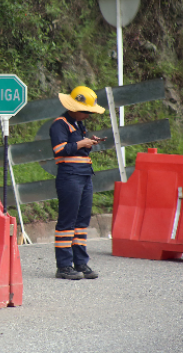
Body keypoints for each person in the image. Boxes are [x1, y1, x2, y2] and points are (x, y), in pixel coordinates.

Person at [50, 86, 105, 280]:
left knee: (82, 222)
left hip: (84, 175)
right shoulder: (60, 124)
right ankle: (64, 265)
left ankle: (80, 262)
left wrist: (89, 142)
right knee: (68, 221)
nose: (88, 115)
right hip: (69, 176)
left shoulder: (79, 124)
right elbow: (60, 149)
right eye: (86, 111)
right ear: (73, 107)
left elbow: (77, 148)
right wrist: (82, 143)